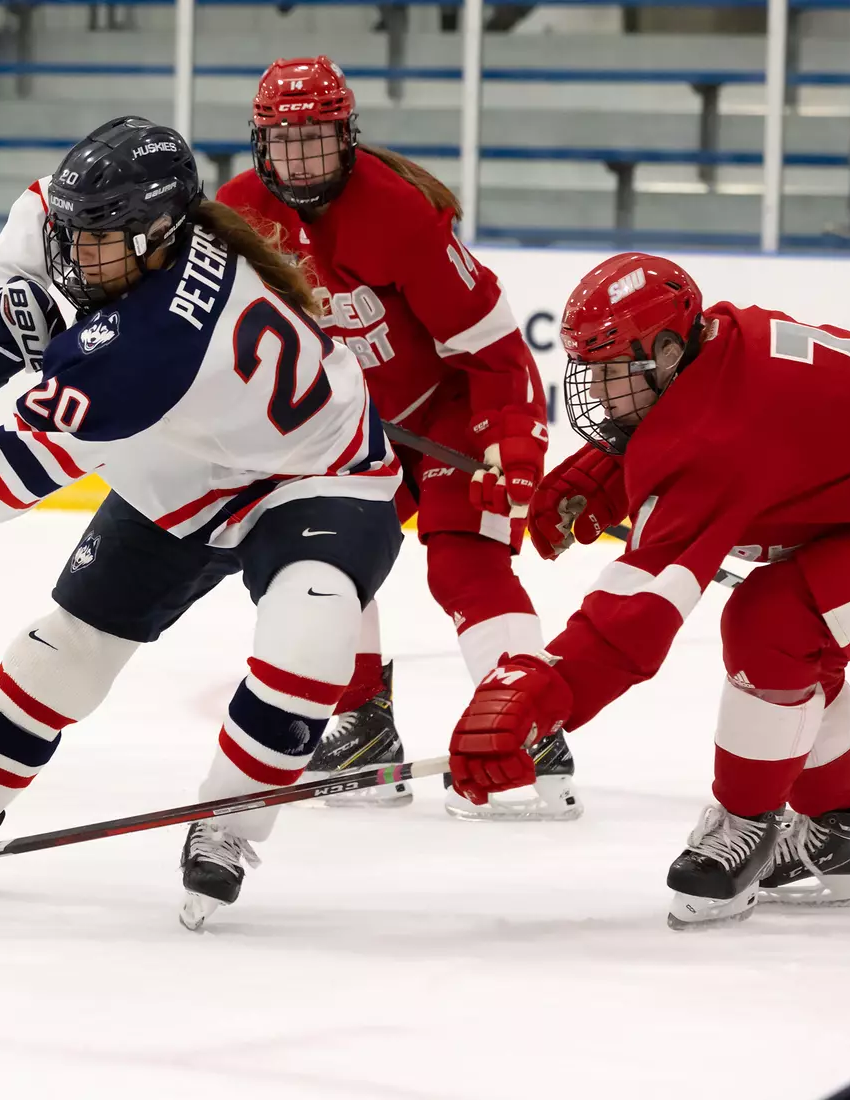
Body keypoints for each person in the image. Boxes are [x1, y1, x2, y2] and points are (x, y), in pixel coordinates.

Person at [0, 117, 403, 929]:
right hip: (183, 467)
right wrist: (13, 295)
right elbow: (41, 210)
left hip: (319, 472)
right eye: (73, 235)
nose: (74, 255)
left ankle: (229, 825)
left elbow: (16, 465)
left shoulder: (155, 345)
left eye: (96, 242)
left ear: (157, 235)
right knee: (62, 651)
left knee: (310, 635)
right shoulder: (110, 231)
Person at [446, 251, 850, 929]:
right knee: (797, 622)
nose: (596, 388)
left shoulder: (720, 439)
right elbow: (756, 430)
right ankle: (840, 834)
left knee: (775, 624)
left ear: (668, 353)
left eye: (610, 369)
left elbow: (635, 618)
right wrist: (612, 470)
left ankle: (745, 822)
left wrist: (541, 692)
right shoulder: (720, 342)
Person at [214, 57, 572, 821]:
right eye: (284, 142)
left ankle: (527, 724)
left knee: (466, 559)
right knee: (325, 556)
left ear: (347, 136)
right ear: (258, 143)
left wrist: (514, 440)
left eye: (316, 139)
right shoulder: (238, 216)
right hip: (346, 428)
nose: (300, 160)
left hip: (444, 408)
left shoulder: (398, 212)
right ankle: (363, 727)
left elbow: (491, 347)